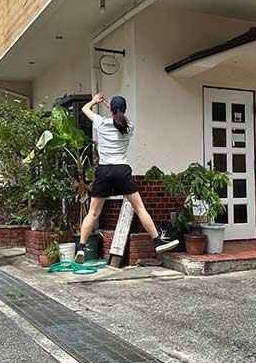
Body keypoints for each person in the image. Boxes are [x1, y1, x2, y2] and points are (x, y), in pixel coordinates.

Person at [76, 92, 179, 263]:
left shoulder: (101, 122)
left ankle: (81, 247)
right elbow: (119, 119)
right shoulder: (129, 126)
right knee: (140, 209)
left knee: (93, 212)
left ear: (111, 109)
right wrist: (114, 108)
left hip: (104, 170)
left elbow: (84, 109)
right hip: (121, 171)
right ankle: (157, 241)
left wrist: (94, 101)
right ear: (124, 110)